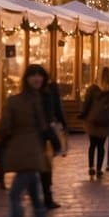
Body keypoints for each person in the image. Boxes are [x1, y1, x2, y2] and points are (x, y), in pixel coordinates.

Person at [0, 65, 51, 217]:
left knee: (15, 197)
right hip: (34, 151)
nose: (37, 79)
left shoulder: (17, 101)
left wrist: (1, 138)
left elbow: (5, 127)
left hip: (25, 153)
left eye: (39, 75)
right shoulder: (40, 99)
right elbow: (45, 126)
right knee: (36, 199)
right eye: (33, 75)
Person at [81, 66, 109, 179]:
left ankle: (91, 167)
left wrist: (83, 114)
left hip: (92, 120)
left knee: (92, 145)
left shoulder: (92, 88)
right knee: (101, 146)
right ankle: (99, 169)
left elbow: (86, 103)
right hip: (105, 121)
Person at [40, 71, 68, 209]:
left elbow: (56, 109)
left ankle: (46, 196)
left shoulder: (48, 92)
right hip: (35, 136)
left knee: (46, 166)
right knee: (42, 167)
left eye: (39, 76)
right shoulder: (28, 96)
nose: (37, 79)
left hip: (45, 135)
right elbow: (57, 109)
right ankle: (45, 196)